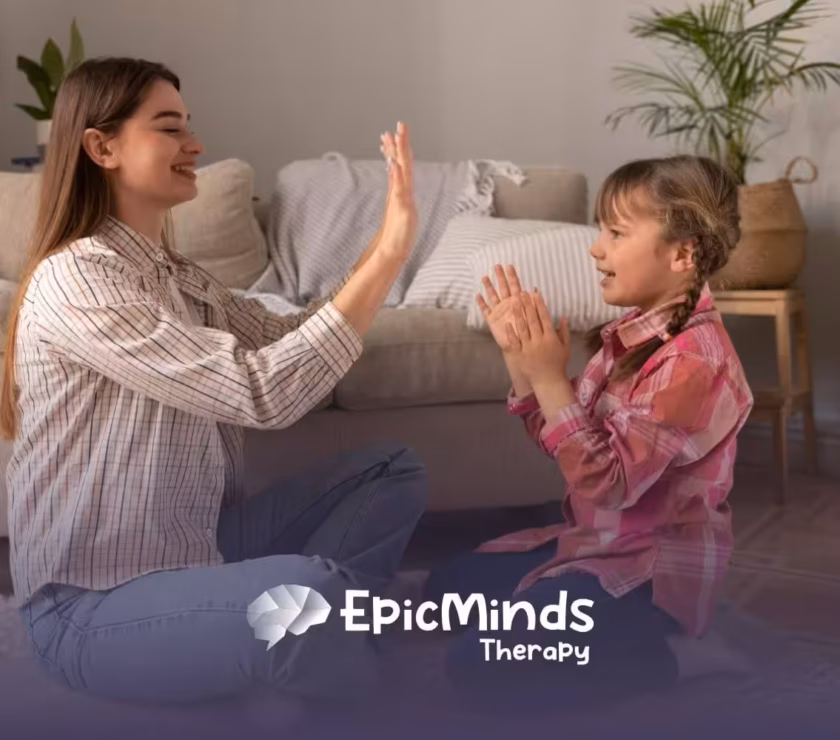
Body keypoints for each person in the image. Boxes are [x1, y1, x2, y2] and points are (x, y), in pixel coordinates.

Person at [1, 57, 427, 706]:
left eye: (189, 127)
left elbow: (296, 340)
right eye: (169, 128)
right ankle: (323, 643)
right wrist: (390, 254)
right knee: (309, 597)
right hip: (90, 606)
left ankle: (309, 641)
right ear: (101, 146)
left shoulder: (180, 278)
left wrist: (384, 247)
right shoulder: (79, 279)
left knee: (391, 470)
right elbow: (261, 393)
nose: (195, 145)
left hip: (197, 548)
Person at [423, 155, 755, 712]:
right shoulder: (627, 338)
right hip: (591, 548)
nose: (596, 248)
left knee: (480, 666)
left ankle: (675, 653)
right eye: (601, 230)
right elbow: (568, 441)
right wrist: (521, 364)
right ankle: (599, 627)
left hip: (647, 573)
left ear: (682, 253)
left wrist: (551, 376)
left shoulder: (692, 362)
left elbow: (609, 483)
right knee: (444, 591)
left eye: (616, 233)